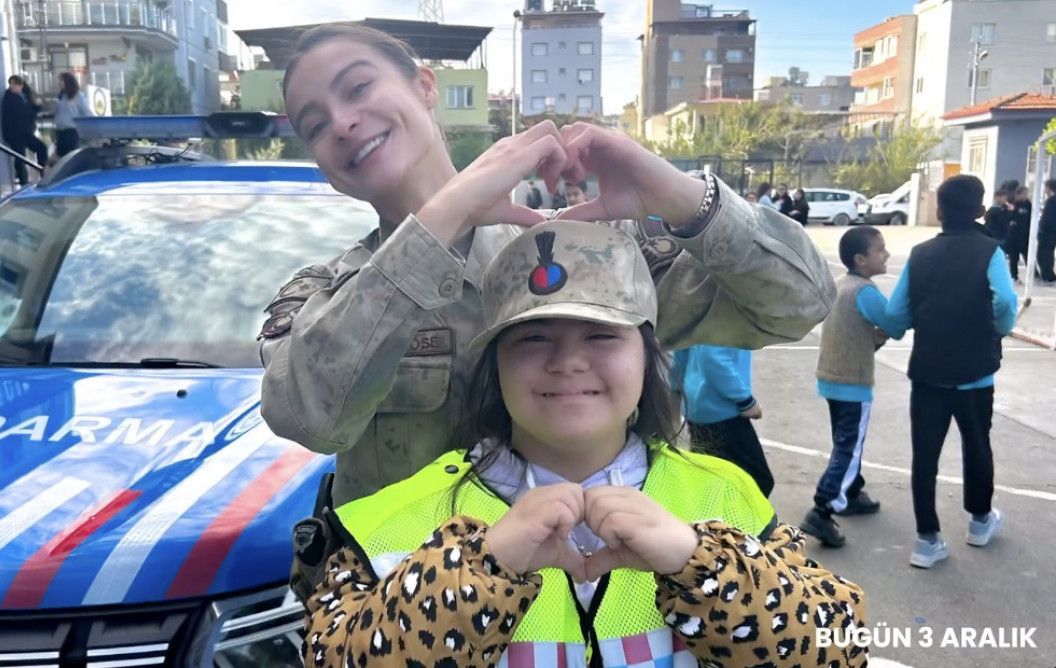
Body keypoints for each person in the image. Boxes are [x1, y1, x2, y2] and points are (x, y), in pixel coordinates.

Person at [259, 23, 836, 506]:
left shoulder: (589, 252)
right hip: (419, 603)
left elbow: (798, 303)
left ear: (425, 86)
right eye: (315, 125)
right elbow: (311, 419)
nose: (342, 122)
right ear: (322, 164)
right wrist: (444, 218)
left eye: (358, 87)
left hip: (597, 591)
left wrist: (681, 196)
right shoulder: (323, 300)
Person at [300, 220, 869, 667]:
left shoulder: (724, 497)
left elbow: (839, 647)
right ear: (494, 366)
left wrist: (702, 565)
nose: (568, 361)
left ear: (648, 357)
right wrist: (477, 573)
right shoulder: (395, 521)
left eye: (601, 334)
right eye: (533, 337)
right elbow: (332, 654)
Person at [882, 174, 1017, 569]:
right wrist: (999, 328)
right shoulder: (990, 251)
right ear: (980, 210)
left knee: (925, 455)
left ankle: (927, 539)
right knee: (977, 444)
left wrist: (897, 328)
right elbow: (1005, 302)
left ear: (939, 211)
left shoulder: (920, 254)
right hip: (976, 371)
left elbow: (895, 314)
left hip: (928, 371)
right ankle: (979, 521)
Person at [800, 226, 892, 549]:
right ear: (861, 259)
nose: (886, 254)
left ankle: (851, 491)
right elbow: (893, 321)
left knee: (845, 440)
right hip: (853, 382)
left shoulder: (840, 284)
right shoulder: (866, 291)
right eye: (880, 249)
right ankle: (823, 508)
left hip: (831, 378)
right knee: (848, 447)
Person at [671, 345, 773, 497]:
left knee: (708, 478)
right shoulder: (722, 328)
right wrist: (745, 401)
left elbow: (681, 350)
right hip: (720, 409)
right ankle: (728, 512)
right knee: (758, 479)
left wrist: (676, 387)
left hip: (697, 404)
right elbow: (712, 356)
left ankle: (708, 509)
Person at [1, 75, 48, 185]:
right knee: (20, 157)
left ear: (20, 85)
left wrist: (36, 107)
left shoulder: (25, 96)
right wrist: (36, 107)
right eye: (10, 84)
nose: (11, 86)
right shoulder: (9, 98)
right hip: (15, 133)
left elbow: (28, 111)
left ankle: (42, 174)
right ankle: (23, 181)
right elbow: (24, 111)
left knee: (41, 148)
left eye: (14, 84)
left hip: (25, 132)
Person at [53, 72, 91, 159]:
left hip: (71, 131)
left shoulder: (78, 96)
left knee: (70, 156)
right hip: (60, 131)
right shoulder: (61, 96)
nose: (59, 83)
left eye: (61, 80)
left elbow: (86, 112)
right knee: (61, 157)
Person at [1007, 185, 1032, 281]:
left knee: (1028, 256)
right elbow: (1008, 217)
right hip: (1014, 235)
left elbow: (1029, 217)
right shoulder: (1011, 203)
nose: (1026, 196)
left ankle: (1033, 275)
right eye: (1024, 194)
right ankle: (1014, 276)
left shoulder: (1028, 204)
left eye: (1027, 194)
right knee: (1014, 257)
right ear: (1018, 194)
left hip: (1025, 235)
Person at [1037, 178, 1056, 283]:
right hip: (1052, 231)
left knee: (1043, 254)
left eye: (1045, 187)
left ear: (1049, 188)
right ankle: (1048, 275)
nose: (1044, 189)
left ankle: (1048, 276)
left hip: (1048, 231)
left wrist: (1041, 228)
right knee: (1048, 253)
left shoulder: (1051, 200)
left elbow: (1048, 217)